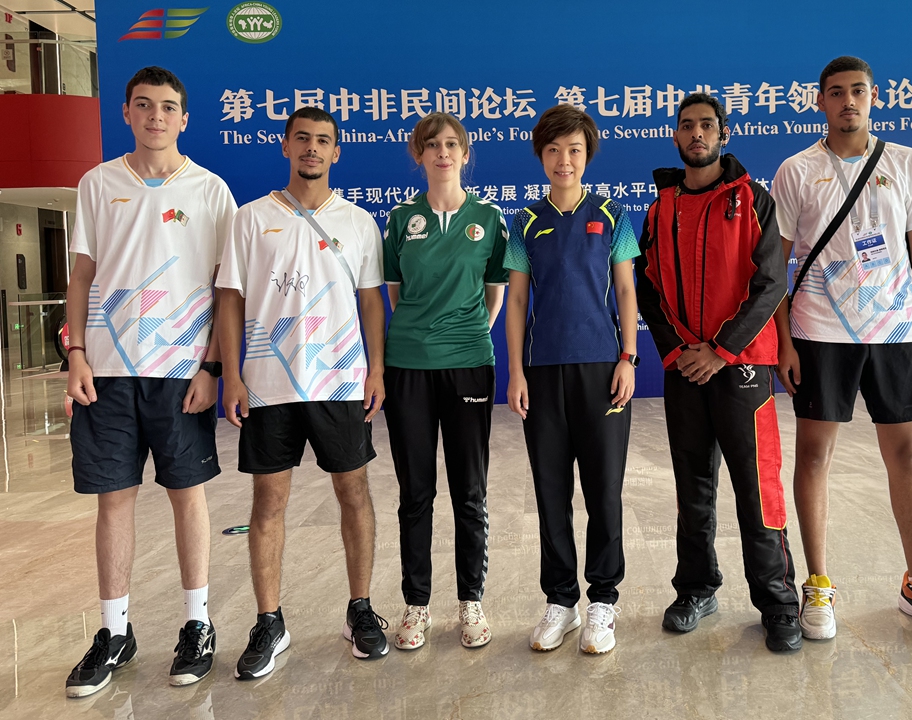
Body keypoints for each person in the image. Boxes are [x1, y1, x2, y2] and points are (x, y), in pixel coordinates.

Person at [771, 56, 912, 640]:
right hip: (819, 331)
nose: (847, 101)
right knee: (813, 457)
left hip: (898, 332)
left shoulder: (904, 163)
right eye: (836, 93)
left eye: (857, 91)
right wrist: (784, 341)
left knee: (904, 457)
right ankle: (819, 584)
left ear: (874, 97)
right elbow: (774, 266)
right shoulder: (796, 170)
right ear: (820, 102)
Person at [64, 66, 235, 697]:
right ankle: (115, 631)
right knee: (115, 500)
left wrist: (213, 365)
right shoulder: (97, 183)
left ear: (185, 118)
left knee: (188, 495)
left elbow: (225, 292)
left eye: (168, 107)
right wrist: (76, 352)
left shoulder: (212, 191)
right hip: (107, 371)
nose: (156, 116)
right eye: (144, 105)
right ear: (127, 114)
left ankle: (197, 624)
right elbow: (81, 276)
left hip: (180, 371)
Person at [216, 106, 389, 679]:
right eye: (303, 140)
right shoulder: (249, 219)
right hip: (268, 383)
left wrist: (377, 368)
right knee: (268, 504)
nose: (312, 149)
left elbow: (371, 301)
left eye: (323, 141)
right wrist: (233, 373)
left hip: (340, 379)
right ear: (286, 147)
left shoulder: (360, 223)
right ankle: (270, 621)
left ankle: (360, 609)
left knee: (353, 495)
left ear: (337, 152)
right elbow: (232, 299)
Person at [636, 93, 802, 652]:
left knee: (759, 492)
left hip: (744, 369)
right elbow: (648, 288)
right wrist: (681, 350)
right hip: (684, 368)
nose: (697, 134)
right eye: (687, 126)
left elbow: (771, 282)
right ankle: (696, 588)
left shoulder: (754, 199)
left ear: (723, 133)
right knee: (693, 489)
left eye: (707, 125)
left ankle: (778, 602)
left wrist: (721, 350)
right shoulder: (660, 208)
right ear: (675, 137)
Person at [504, 104, 639, 654]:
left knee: (604, 489)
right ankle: (560, 600)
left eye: (575, 150)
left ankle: (602, 601)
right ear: (541, 155)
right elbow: (515, 300)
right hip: (541, 372)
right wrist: (514, 371)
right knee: (551, 490)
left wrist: (628, 357)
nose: (565, 160)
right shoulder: (525, 221)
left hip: (604, 371)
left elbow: (627, 291)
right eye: (554, 150)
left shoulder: (612, 215)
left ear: (587, 156)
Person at [382, 112, 509, 650]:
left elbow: (495, 289)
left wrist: (466, 333)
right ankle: (416, 605)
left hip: (468, 363)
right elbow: (394, 292)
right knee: (416, 491)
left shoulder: (489, 217)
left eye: (452, 144)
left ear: (465, 154)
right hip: (408, 363)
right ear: (419, 154)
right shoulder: (397, 219)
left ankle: (470, 600)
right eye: (432, 145)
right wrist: (424, 333)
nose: (442, 153)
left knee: (469, 490)